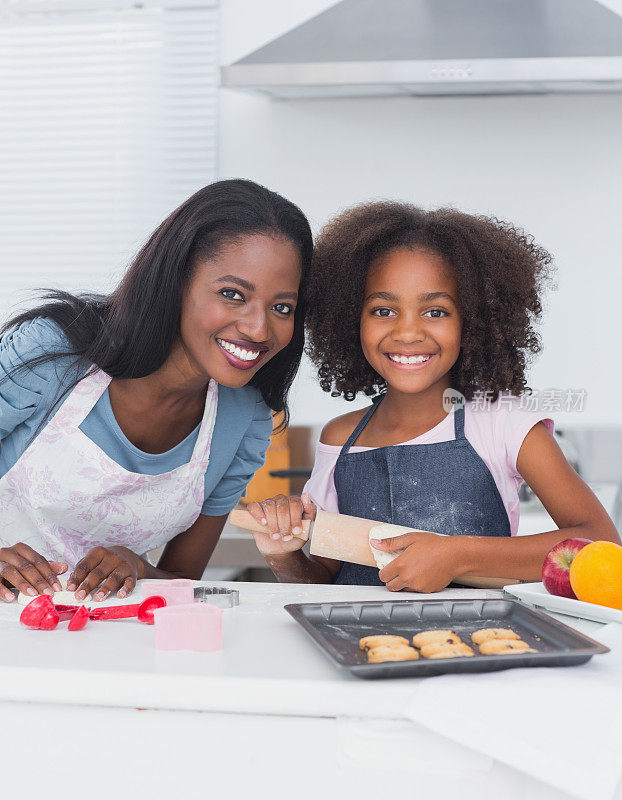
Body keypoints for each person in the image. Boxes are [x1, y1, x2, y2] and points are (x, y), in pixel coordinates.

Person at [247, 201, 619, 589]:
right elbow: (323, 579)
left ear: (473, 322)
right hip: (360, 647)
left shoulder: (502, 423)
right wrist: (283, 554)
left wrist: (457, 556)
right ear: (350, 319)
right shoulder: (338, 441)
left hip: (484, 644)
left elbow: (600, 540)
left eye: (436, 312)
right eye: (383, 311)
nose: (408, 332)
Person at [0, 179, 312, 602]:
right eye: (232, 294)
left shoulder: (242, 420)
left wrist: (137, 566)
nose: (259, 328)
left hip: (105, 652)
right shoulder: (53, 353)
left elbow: (184, 582)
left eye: (282, 308)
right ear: (176, 281)